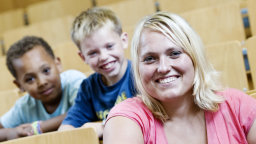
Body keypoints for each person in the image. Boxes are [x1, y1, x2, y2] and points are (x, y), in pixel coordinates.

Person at [103, 11, 256, 144]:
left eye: (174, 54)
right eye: (150, 58)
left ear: (194, 57)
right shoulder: (128, 117)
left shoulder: (236, 106)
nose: (163, 67)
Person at [58, 7, 136, 138]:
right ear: (83, 57)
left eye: (109, 46)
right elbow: (67, 128)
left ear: (123, 41)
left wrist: (103, 126)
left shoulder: (140, 74)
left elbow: (148, 117)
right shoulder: (88, 87)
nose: (103, 57)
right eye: (93, 53)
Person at [0, 36, 86, 142]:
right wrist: (11, 132)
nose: (42, 82)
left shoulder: (74, 80)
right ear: (19, 85)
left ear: (58, 64)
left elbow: (84, 111)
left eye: (46, 70)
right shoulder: (24, 106)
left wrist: (36, 128)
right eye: (30, 79)